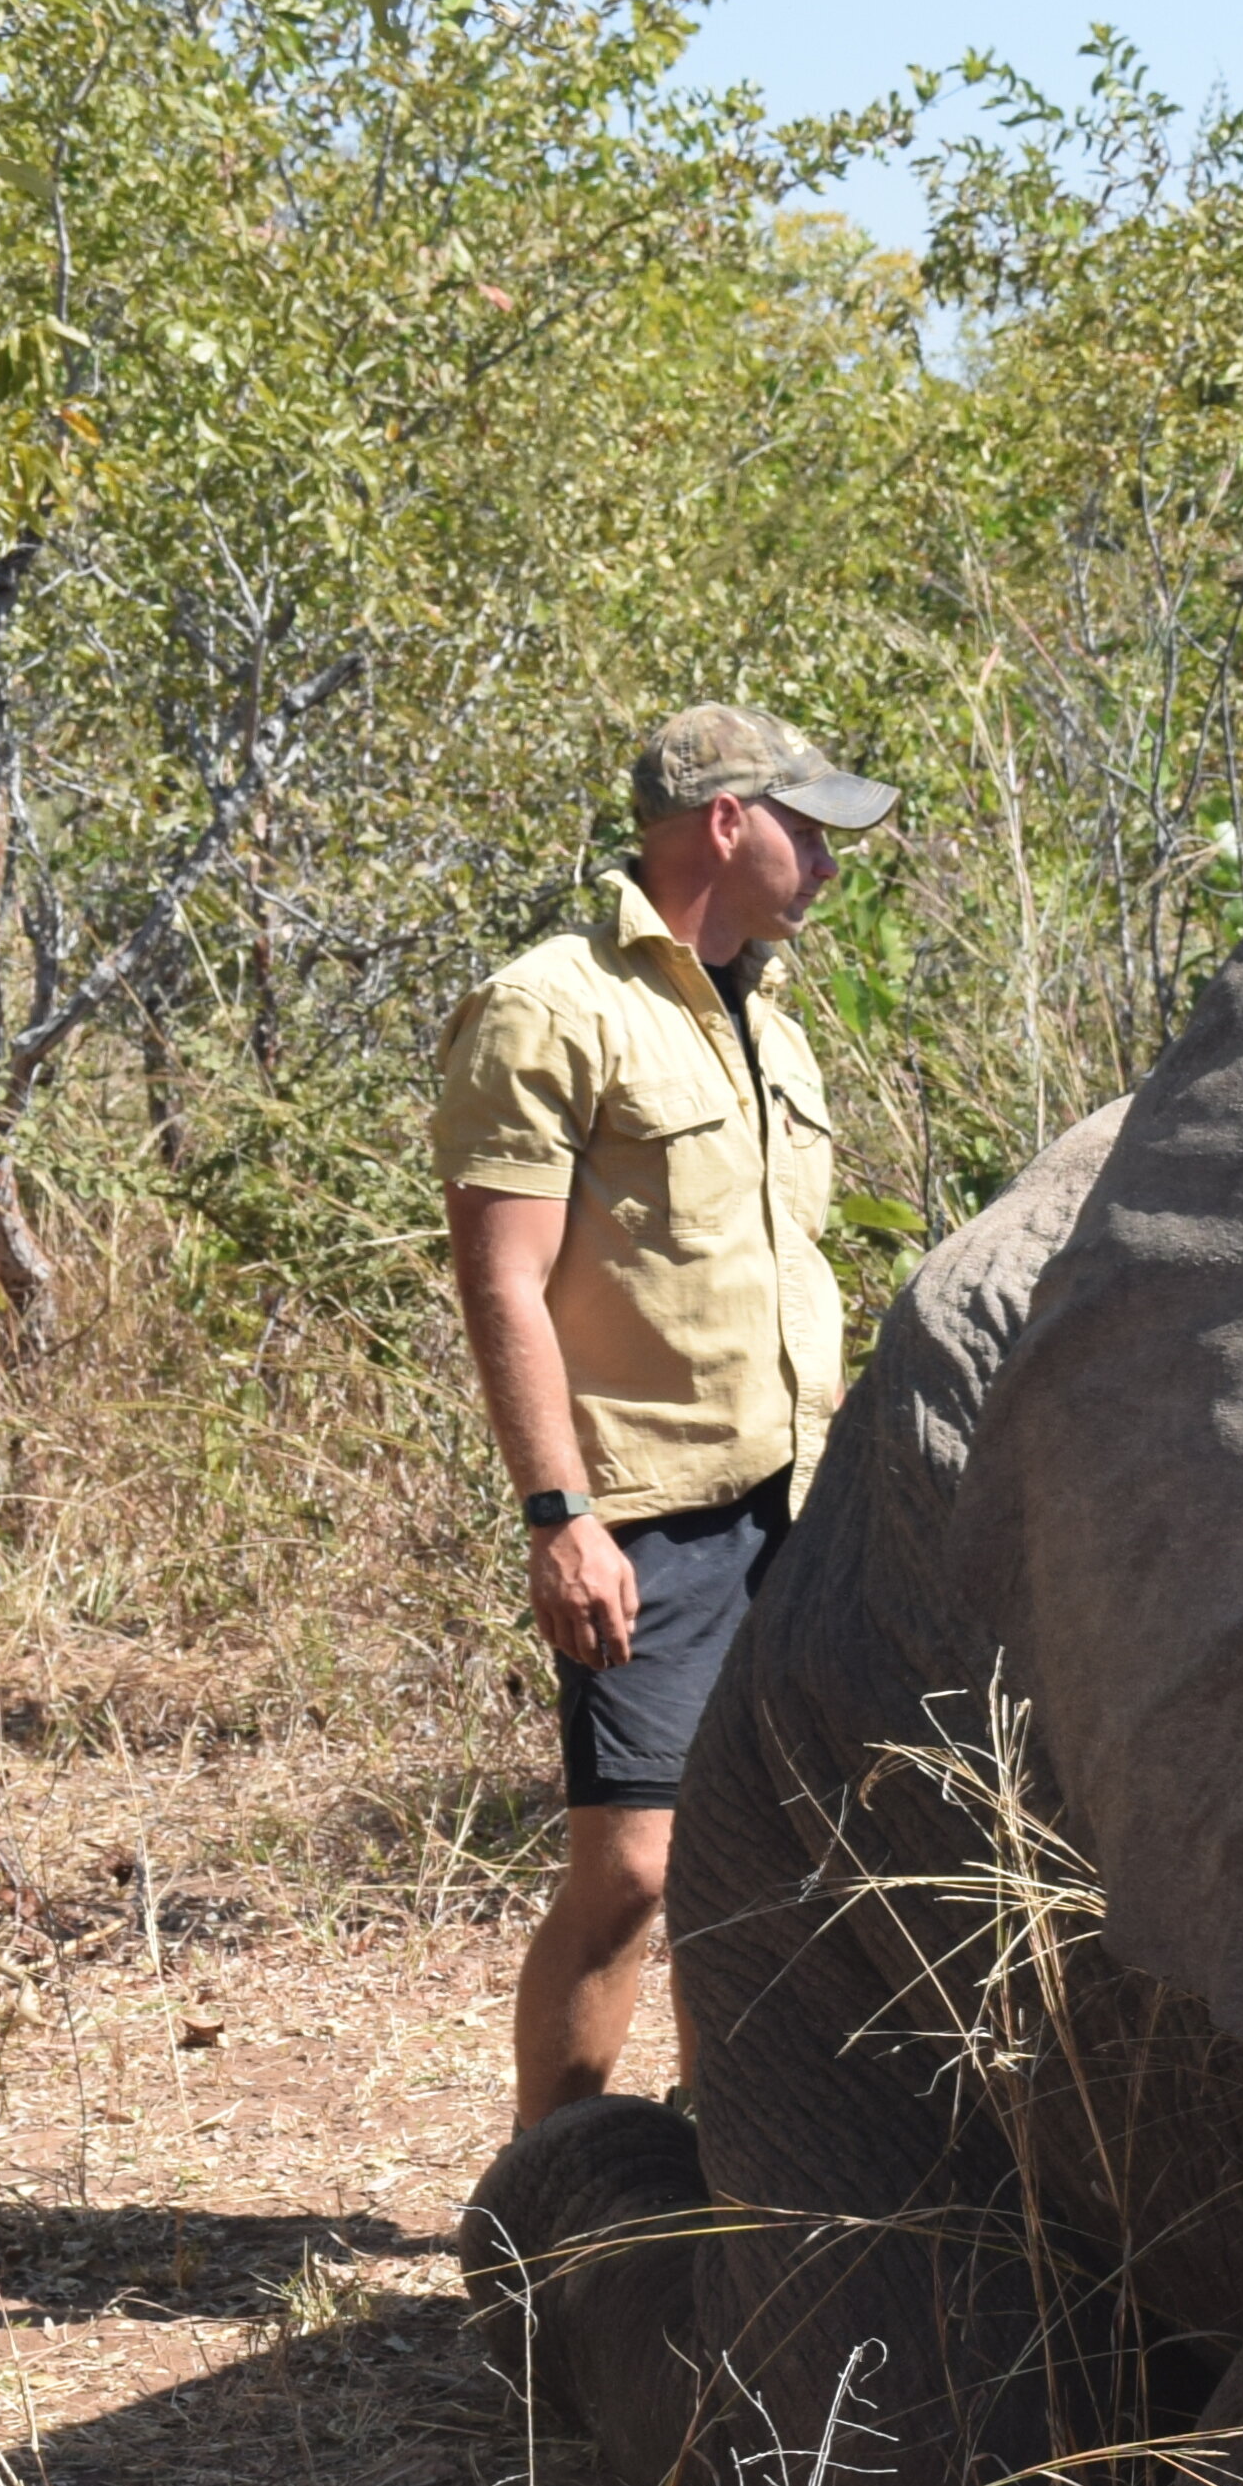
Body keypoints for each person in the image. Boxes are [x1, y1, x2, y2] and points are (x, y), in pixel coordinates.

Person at [432, 703, 894, 2135]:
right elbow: (500, 1283)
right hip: (648, 1511)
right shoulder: (552, 1008)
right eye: (808, 829)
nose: (828, 860)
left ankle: (729, 2184)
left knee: (770, 1868)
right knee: (633, 1870)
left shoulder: (772, 1026)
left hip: (797, 1500)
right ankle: (542, 2214)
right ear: (725, 821)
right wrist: (561, 1516)